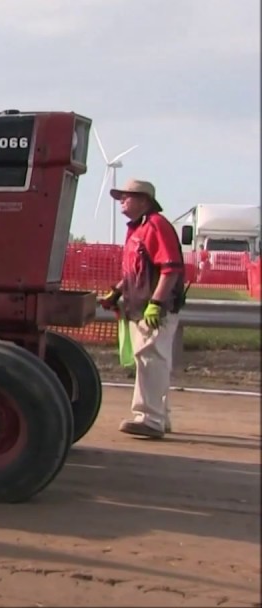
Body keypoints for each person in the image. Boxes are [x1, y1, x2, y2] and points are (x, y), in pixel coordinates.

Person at [98, 178, 188, 439]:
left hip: (154, 309)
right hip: (140, 306)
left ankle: (150, 418)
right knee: (149, 359)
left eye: (127, 196)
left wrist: (156, 304)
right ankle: (159, 416)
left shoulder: (156, 226)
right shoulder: (137, 229)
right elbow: (134, 271)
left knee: (151, 359)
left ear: (144, 201)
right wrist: (116, 292)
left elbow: (170, 269)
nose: (122, 201)